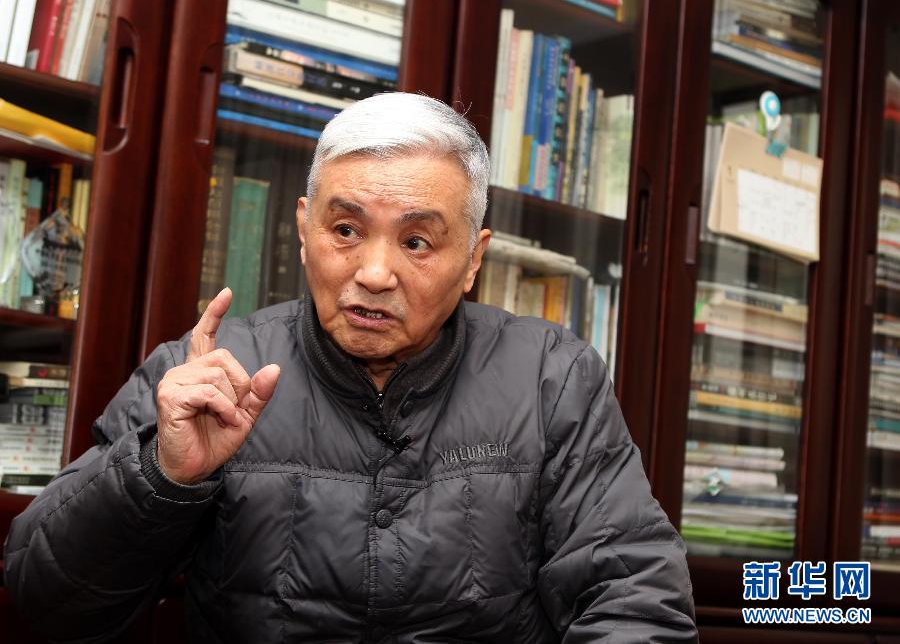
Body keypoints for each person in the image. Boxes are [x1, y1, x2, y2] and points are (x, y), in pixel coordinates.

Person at [5, 92, 697, 642]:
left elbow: (635, 597)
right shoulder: (209, 371)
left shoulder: (551, 378)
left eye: (417, 241)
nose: (374, 273)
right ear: (304, 230)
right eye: (345, 230)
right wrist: (162, 474)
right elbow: (45, 600)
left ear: (473, 259)